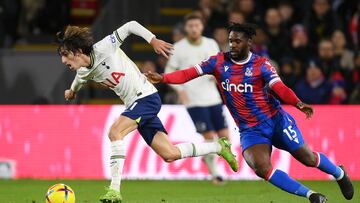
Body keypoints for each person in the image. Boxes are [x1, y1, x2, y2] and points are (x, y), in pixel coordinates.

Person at [145, 23, 354, 203]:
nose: (232, 45)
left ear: (249, 43)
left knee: (307, 158)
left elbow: (279, 87)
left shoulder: (261, 65)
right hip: (250, 130)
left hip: (276, 121)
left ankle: (339, 173)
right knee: (261, 168)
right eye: (230, 41)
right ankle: (312, 196)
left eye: (237, 41)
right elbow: (188, 73)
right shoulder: (218, 62)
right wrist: (163, 78)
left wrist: (298, 103)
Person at [55, 21, 238, 203]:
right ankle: (218, 147)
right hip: (134, 104)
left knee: (115, 132)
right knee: (169, 154)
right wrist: (71, 91)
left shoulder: (104, 48)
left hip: (146, 98)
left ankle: (114, 190)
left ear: (76, 51)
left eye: (64, 55)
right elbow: (78, 82)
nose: (63, 61)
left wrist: (153, 40)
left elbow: (130, 26)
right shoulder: (83, 72)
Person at [166, 13, 230, 184]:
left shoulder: (211, 44)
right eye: (190, 26)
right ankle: (215, 173)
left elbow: (220, 66)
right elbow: (168, 73)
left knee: (225, 137)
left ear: (201, 27)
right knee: (209, 136)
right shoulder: (178, 48)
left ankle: (208, 159)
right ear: (186, 28)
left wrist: (217, 75)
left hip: (213, 98)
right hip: (193, 101)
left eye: (197, 25)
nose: (194, 28)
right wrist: (181, 91)